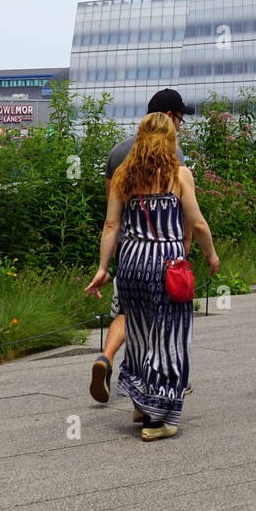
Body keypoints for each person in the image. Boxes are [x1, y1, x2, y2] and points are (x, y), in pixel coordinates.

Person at [85, 113, 219, 439]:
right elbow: (197, 224)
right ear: (170, 139)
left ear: (140, 138)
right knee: (169, 338)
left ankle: (142, 403)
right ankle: (158, 420)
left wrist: (103, 268)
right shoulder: (179, 175)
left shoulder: (123, 176)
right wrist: (211, 255)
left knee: (139, 334)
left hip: (132, 262)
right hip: (166, 264)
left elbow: (111, 226)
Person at [89, 88, 192, 405]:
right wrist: (185, 250)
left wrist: (107, 262)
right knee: (162, 322)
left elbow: (112, 210)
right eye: (180, 119)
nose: (180, 127)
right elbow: (187, 215)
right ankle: (160, 390)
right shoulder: (174, 157)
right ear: (170, 117)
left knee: (128, 311)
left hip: (128, 249)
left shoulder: (118, 153)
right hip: (163, 251)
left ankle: (106, 357)